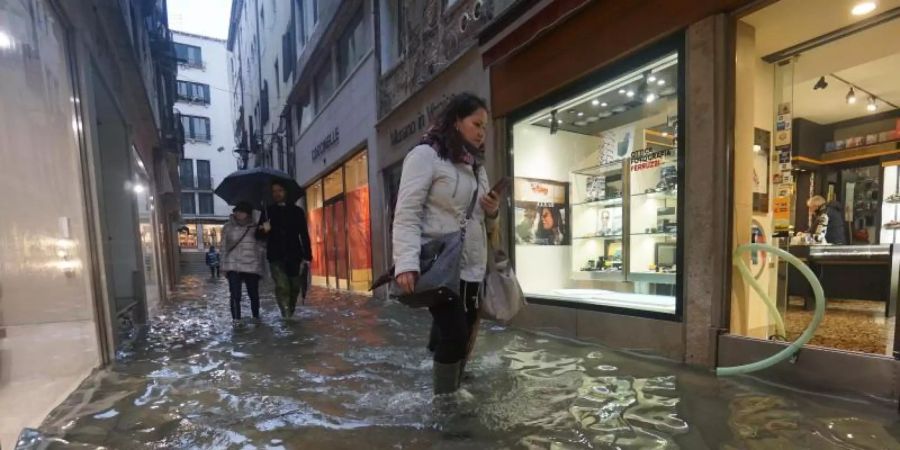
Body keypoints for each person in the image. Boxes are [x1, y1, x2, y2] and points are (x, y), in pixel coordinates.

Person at [393, 92, 500, 396]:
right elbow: (407, 212)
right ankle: (445, 403)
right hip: (440, 264)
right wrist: (406, 262)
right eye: (476, 124)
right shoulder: (425, 155)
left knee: (462, 336)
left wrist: (492, 210)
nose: (482, 132)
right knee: (455, 335)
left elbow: (482, 221)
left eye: (485, 127)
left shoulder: (477, 168)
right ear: (456, 121)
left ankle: (445, 373)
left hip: (472, 266)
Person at [257, 181, 312, 319]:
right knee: (282, 286)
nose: (277, 193)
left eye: (280, 190)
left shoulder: (297, 211)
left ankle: (290, 311)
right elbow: (258, 235)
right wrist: (264, 229)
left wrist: (307, 256)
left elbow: (304, 234)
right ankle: (286, 317)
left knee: (294, 287)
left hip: (294, 255)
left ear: (286, 192)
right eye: (274, 191)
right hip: (275, 256)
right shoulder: (267, 211)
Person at [221, 202, 266, 323]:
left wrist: (265, 229)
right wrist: (223, 267)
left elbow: (263, 245)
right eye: (236, 211)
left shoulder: (257, 226)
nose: (237, 213)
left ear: (248, 213)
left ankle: (256, 319)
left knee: (254, 295)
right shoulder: (227, 227)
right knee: (235, 295)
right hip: (233, 265)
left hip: (251, 265)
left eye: (241, 211)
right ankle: (236, 322)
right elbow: (223, 247)